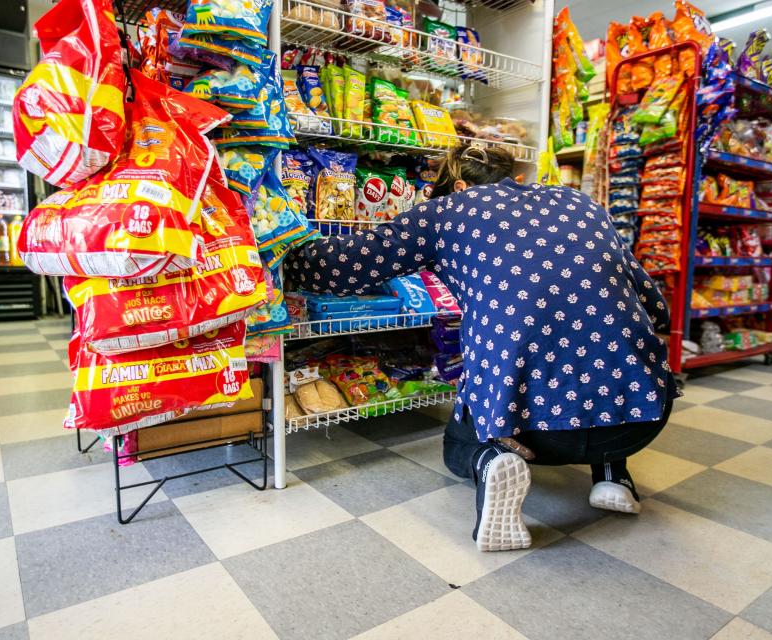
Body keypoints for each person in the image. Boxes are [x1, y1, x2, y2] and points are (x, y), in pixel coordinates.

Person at [286, 144, 677, 552]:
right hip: (642, 418)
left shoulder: (447, 210)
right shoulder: (579, 201)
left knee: (459, 444)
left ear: (455, 186)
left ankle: (492, 462)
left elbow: (341, 267)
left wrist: (283, 242)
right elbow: (653, 304)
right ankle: (613, 474)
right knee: (604, 346)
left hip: (532, 430)